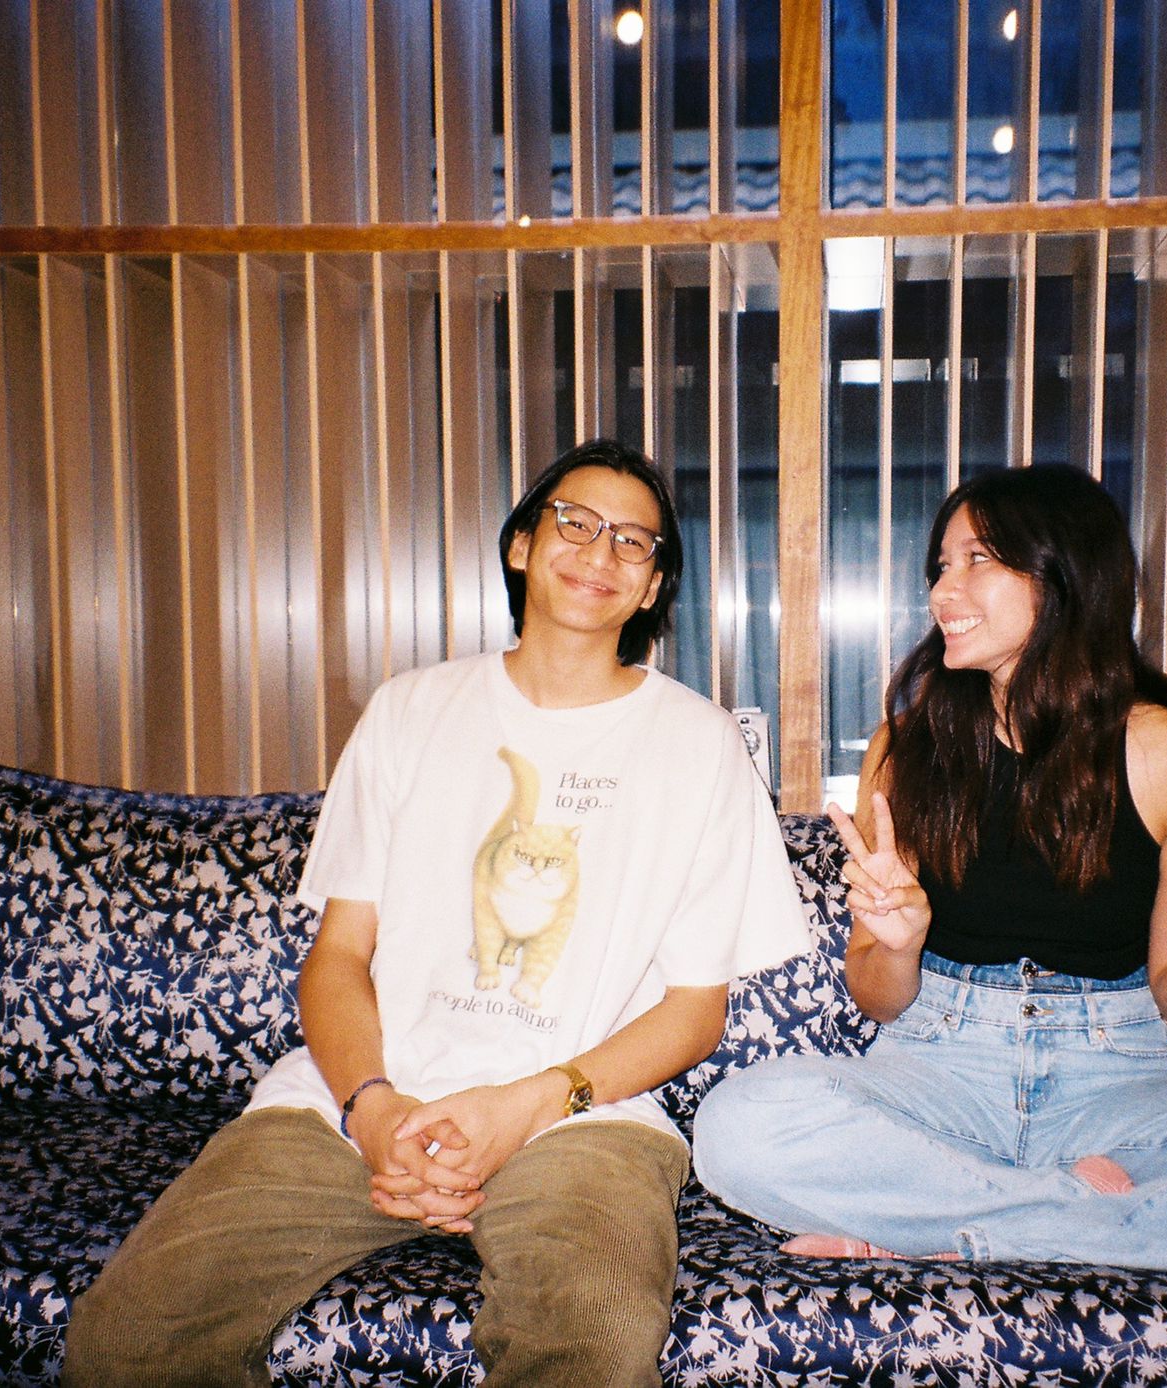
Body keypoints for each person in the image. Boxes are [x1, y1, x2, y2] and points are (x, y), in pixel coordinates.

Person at [65, 439, 810, 1386]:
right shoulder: (409, 709)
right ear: (520, 545)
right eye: (575, 522)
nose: (601, 551)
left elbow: (696, 1011)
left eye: (634, 541)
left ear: (654, 586)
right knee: (127, 1340)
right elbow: (339, 956)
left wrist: (524, 1105)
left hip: (582, 1116)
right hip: (356, 1102)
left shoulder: (698, 743)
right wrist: (373, 1110)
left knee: (592, 1342)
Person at [692, 465, 1167, 1276]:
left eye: (977, 560)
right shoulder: (907, 747)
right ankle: (1069, 1218)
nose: (942, 591)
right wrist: (898, 943)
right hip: (937, 1070)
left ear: (1065, 576)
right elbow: (877, 997)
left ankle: (945, 1231)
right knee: (738, 1125)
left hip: (1115, 1085)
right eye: (941, 565)